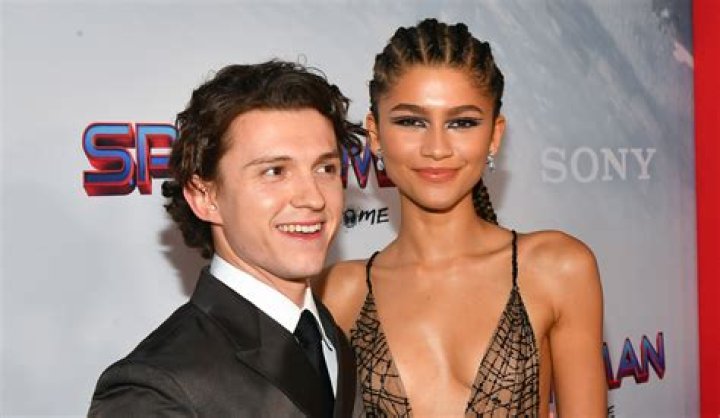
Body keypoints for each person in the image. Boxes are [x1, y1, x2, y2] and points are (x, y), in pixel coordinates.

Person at [317, 19, 606, 417]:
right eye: (411, 121)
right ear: (376, 134)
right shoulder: (339, 292)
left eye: (462, 123)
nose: (437, 148)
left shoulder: (556, 268)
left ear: (494, 135)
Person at [89, 60, 364, 418]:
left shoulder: (329, 336)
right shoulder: (155, 388)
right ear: (205, 197)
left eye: (325, 168)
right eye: (275, 171)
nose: (313, 198)